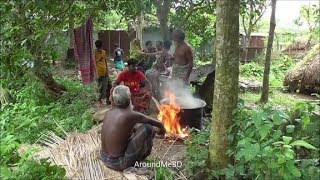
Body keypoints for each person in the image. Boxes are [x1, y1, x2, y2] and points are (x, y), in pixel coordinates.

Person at [100, 85, 166, 171]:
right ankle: (142, 158)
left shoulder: (109, 112)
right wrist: (162, 131)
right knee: (147, 128)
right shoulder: (129, 114)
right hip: (118, 163)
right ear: (129, 99)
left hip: (104, 157)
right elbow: (158, 124)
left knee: (135, 128)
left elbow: (126, 129)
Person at [95, 40, 111, 106]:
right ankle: (99, 100)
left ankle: (107, 100)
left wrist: (107, 70)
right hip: (97, 73)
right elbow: (93, 62)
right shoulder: (94, 53)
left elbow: (105, 61)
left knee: (107, 86)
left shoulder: (104, 52)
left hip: (104, 72)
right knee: (99, 87)